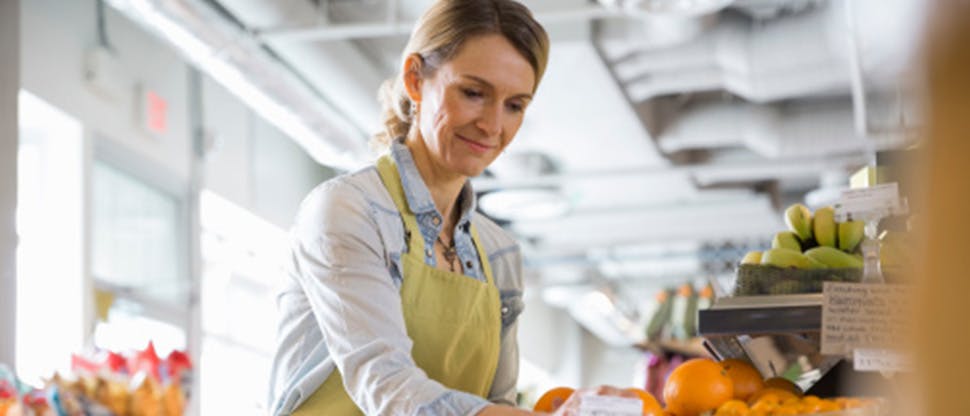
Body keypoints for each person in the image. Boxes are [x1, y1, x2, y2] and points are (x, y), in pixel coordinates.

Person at [268, 1, 636, 415]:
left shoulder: (499, 254)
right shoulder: (348, 212)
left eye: (515, 105)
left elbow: (496, 405)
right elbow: (388, 389)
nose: (493, 125)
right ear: (415, 79)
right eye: (474, 93)